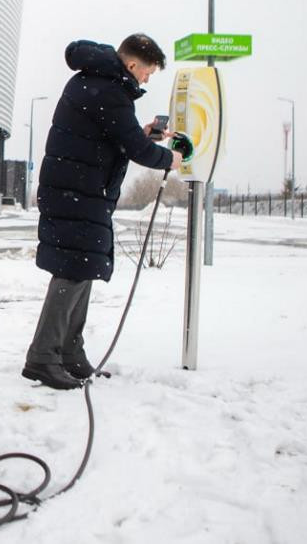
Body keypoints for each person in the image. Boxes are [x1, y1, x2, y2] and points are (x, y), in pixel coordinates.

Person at [23, 33, 182, 390]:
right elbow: (135, 149)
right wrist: (167, 157)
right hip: (77, 191)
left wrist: (141, 135)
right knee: (72, 271)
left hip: (80, 190)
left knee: (82, 267)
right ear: (132, 64)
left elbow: (115, 136)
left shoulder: (98, 83)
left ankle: (69, 352)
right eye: (148, 72)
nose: (146, 79)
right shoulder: (109, 91)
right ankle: (43, 357)